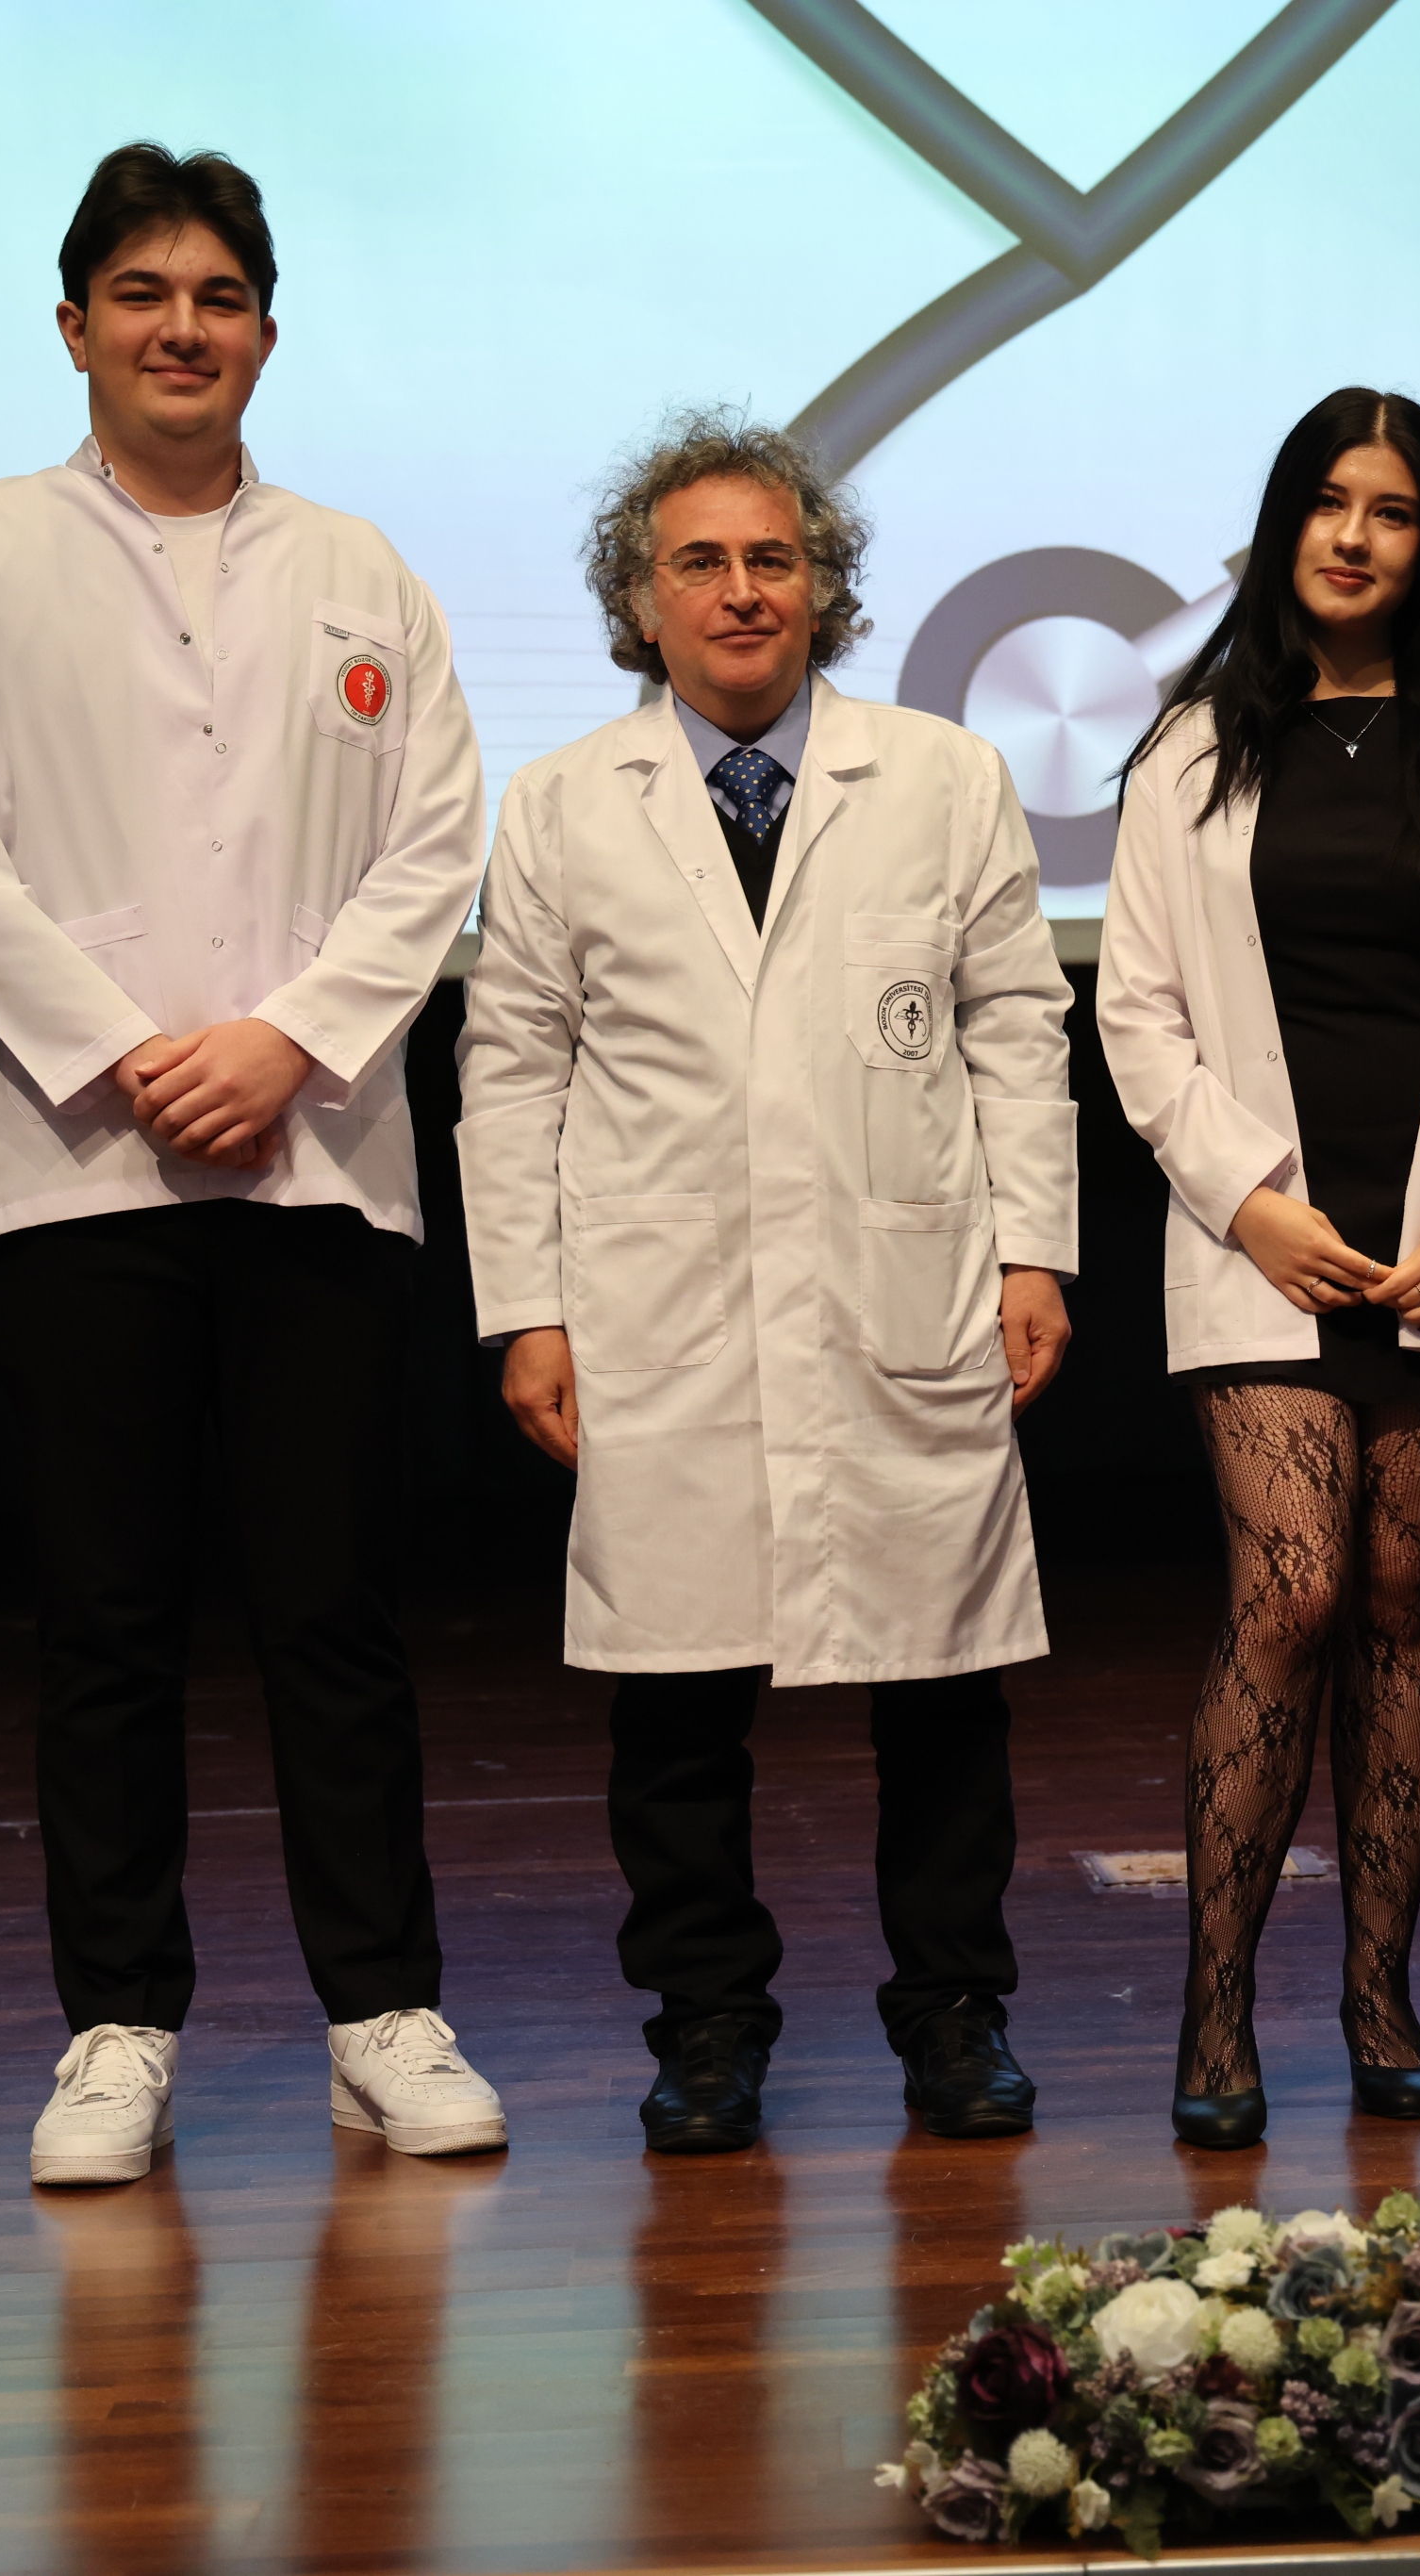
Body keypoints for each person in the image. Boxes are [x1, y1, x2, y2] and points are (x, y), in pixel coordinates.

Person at [0, 143, 504, 2185]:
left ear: (266, 334)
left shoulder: (357, 570)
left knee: (335, 1608)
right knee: (108, 1614)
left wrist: (288, 1039)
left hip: (316, 1163)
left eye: (217, 296)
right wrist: (126, 1052)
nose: (180, 328)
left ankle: (379, 2013)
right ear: (73, 328)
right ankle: (117, 2026)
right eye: (139, 294)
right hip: (79, 1167)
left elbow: (436, 842)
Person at [457, 412, 1079, 2155]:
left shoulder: (941, 776)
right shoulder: (565, 804)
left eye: (773, 559)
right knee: (675, 1704)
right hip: (658, 1311)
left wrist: (1035, 1246)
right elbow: (511, 1069)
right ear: (640, 602)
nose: (741, 591)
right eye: (700, 563)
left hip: (904, 1291)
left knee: (940, 1686)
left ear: (823, 589)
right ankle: (708, 2027)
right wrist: (528, 1308)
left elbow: (1016, 1027)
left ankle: (954, 2014)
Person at [1096, 388, 1420, 2150]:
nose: (1354, 536)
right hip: (1272, 1241)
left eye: (1390, 509)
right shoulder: (1191, 749)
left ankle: (1379, 1992)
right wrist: (1248, 1202)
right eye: (1326, 502)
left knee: (1394, 1594)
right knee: (1293, 1590)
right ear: (1283, 525)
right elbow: (1139, 1014)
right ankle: (1216, 2002)